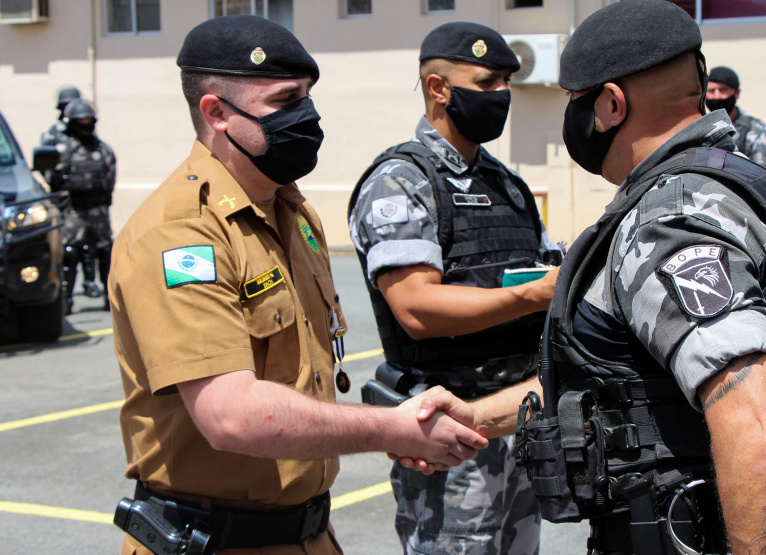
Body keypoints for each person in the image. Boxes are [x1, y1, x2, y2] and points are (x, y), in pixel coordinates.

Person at [404, 2, 766, 554]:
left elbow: (762, 423)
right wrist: (476, 415)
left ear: (610, 104)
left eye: (575, 102)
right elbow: (618, 378)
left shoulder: (669, 222)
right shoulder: (753, 188)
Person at [109, 15, 487, 555]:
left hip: (306, 533)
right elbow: (229, 414)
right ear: (216, 113)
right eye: (285, 101)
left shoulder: (294, 212)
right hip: (213, 541)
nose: (306, 117)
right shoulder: (181, 235)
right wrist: (389, 429)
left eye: (308, 97)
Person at [348, 21, 560, 555]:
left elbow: (543, 271)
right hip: (450, 431)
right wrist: (537, 294)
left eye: (507, 83)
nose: (502, 96)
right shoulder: (401, 181)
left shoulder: (506, 185)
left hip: (518, 416)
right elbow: (417, 307)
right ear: (439, 88)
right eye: (487, 82)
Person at [44, 99, 116, 313]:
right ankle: (66, 299)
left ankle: (108, 296)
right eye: (81, 121)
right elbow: (51, 177)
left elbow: (110, 177)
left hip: (98, 211)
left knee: (105, 253)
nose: (85, 124)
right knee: (69, 253)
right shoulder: (62, 148)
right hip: (73, 211)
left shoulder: (103, 149)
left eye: (88, 120)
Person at [706, 66, 766, 172]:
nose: (717, 96)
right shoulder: (701, 129)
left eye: (723, 90)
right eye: (711, 91)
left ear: (737, 93)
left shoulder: (754, 129)